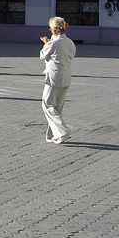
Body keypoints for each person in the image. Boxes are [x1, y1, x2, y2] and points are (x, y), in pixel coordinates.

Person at [40, 16, 77, 144]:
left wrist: (46, 44)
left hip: (54, 78)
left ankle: (62, 132)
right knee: (57, 106)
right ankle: (53, 134)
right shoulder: (70, 42)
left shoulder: (53, 43)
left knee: (47, 104)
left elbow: (43, 56)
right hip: (66, 77)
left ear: (54, 31)